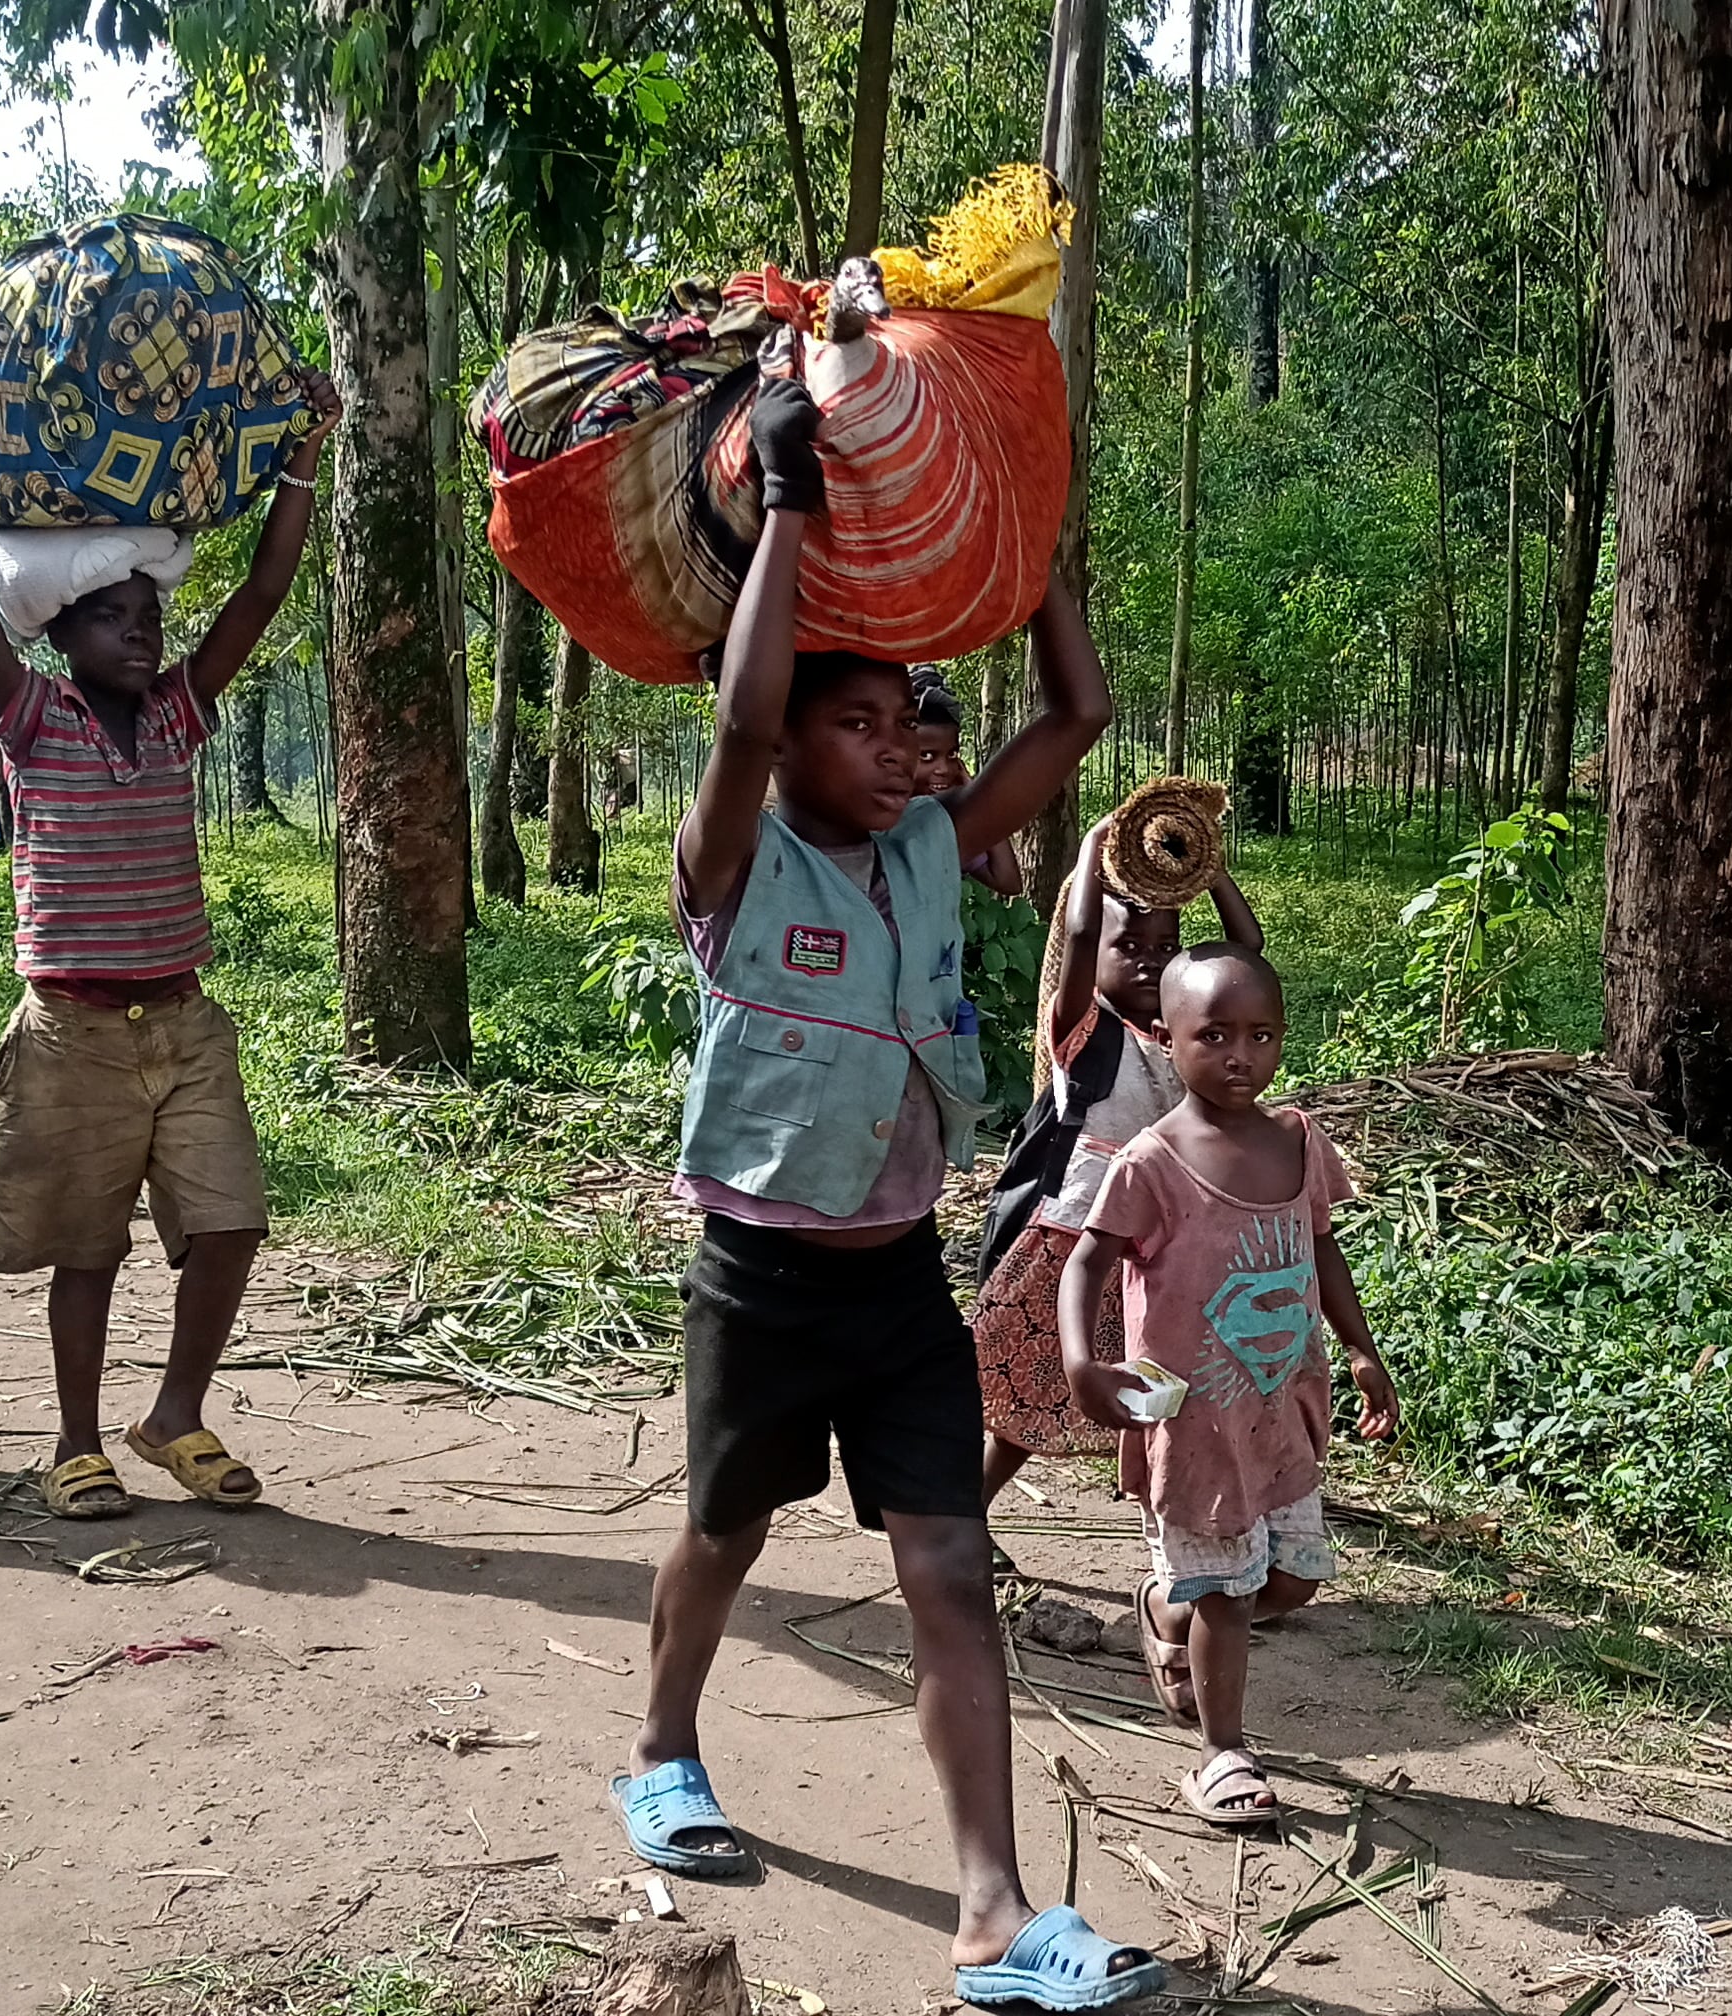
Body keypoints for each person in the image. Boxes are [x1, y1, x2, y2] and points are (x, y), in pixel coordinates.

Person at [619, 329, 1156, 2012]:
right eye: (841, 724)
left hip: (894, 1278)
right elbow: (746, 704)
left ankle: (991, 1914)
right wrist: (785, 498)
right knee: (721, 1529)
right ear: (783, 746)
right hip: (756, 1276)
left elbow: (1079, 711)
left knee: (942, 1561)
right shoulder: (730, 850)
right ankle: (661, 1745)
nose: (881, 748)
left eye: (894, 723)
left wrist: (1034, 538)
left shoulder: (933, 845)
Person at [0, 321, 337, 1523]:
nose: (145, 633)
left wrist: (301, 454)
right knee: (85, 1252)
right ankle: (78, 1442)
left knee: (232, 1222)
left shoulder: (181, 714)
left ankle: (175, 1415)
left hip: (184, 1023)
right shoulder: (30, 718)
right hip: (72, 1036)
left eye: (152, 616)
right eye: (118, 619)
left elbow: (262, 587)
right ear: (62, 634)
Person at [1056, 943, 1400, 1828]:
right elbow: (1085, 1260)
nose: (1239, 1056)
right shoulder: (1152, 1161)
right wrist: (1080, 1363)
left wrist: (1360, 1350)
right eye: (1213, 1035)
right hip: (1194, 1420)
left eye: (1260, 1035)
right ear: (1166, 1041)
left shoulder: (1297, 1142)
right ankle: (1221, 1753)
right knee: (1230, 1596)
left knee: (1290, 1584)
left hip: (1279, 1406)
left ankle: (1166, 1604)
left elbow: (1320, 1247)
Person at [969, 811, 1257, 1714]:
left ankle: (1177, 1579)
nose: (1145, 957)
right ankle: (959, 1519)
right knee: (1028, 1404)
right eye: (1128, 945)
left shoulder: (1191, 1034)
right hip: (1069, 1249)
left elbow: (1245, 948)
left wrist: (1205, 874)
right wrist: (1094, 857)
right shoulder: (1080, 1029)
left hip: (1163, 1257)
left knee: (1160, 1409)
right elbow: (1082, 932)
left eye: (1162, 945)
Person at [915, 674, 1023, 898]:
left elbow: (1008, 880)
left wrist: (977, 797)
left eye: (952, 754)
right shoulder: (878, 824)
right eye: (926, 756)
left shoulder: (948, 825)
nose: (943, 768)